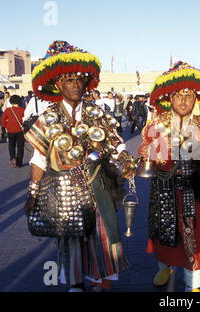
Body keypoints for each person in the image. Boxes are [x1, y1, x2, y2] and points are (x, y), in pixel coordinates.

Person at [23, 41, 136, 292]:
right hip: (62, 189)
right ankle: (75, 285)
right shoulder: (46, 119)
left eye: (79, 80)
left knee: (102, 234)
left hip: (97, 185)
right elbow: (39, 159)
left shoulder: (98, 114)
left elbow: (116, 146)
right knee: (70, 239)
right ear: (58, 84)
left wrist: (126, 160)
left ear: (86, 84)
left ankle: (99, 281)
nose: (75, 84)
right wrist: (33, 193)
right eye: (68, 80)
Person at [138, 61, 200, 292]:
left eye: (189, 96)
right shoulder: (157, 124)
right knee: (162, 233)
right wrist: (144, 153)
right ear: (170, 98)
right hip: (163, 189)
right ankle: (165, 267)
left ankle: (193, 287)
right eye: (178, 96)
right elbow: (147, 155)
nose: (183, 101)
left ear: (195, 100)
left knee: (194, 238)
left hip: (192, 191)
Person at [1, 95, 25, 168]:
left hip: (10, 130)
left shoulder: (8, 110)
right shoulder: (23, 110)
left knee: (11, 145)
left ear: (11, 101)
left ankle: (12, 158)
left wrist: (7, 126)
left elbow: (2, 121)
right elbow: (26, 120)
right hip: (20, 130)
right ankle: (19, 162)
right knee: (20, 146)